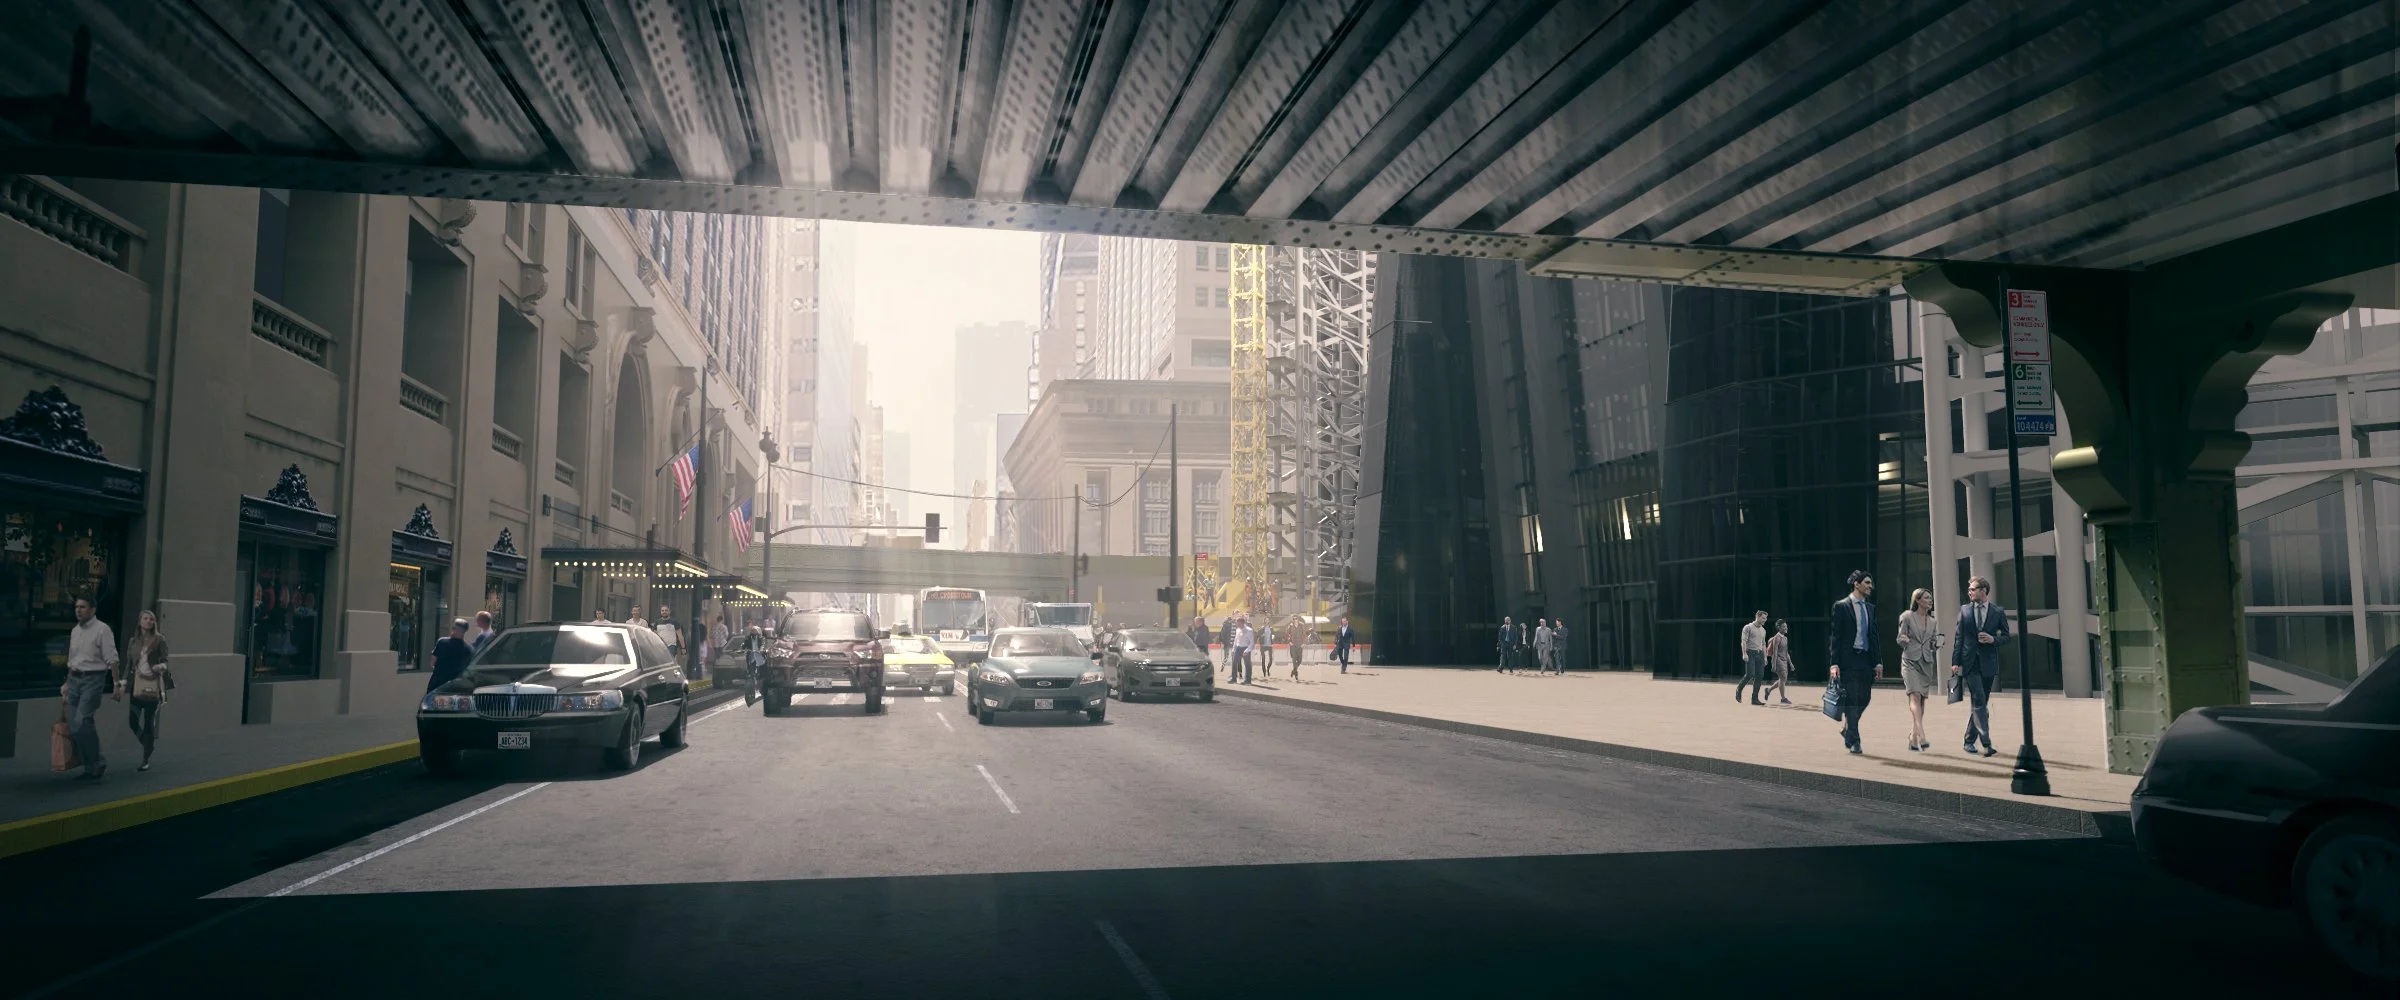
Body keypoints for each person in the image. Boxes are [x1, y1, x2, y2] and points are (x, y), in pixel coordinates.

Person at [60, 596, 118, 781]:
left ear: (93, 610)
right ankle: (92, 765)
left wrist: (117, 684)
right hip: (74, 680)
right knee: (75, 723)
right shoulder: (75, 631)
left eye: (83, 607)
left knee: (81, 721)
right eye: (76, 607)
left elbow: (112, 659)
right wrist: (66, 683)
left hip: (93, 680)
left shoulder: (102, 629)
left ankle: (96, 763)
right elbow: (72, 659)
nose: (78, 610)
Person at [1952, 576, 2011, 758]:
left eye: (1973, 589)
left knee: (1981, 704)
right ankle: (1985, 743)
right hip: (1970, 662)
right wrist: (1955, 662)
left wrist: (1994, 639)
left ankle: (1969, 740)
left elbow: (2007, 636)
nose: (1969, 592)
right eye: (1969, 589)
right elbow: (1958, 638)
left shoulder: (1997, 612)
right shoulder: (1964, 610)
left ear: (1983, 590)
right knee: (1978, 699)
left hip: (1988, 663)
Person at [1826, 570, 1880, 754]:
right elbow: (1836, 637)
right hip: (1847, 661)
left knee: (1865, 697)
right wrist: (1834, 664)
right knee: (1852, 699)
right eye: (1867, 582)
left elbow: (1874, 636)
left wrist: (1878, 662)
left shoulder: (1870, 608)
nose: (1870, 586)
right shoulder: (1841, 606)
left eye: (1870, 583)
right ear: (1856, 584)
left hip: (1865, 659)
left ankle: (1848, 728)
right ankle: (1855, 741)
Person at [1897, 587, 1945, 752]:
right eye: (1926, 598)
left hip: (1926, 662)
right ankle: (1922, 735)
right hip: (1910, 660)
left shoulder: (1933, 622)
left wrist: (1937, 644)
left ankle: (1912, 737)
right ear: (1917, 600)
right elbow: (1900, 637)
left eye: (1930, 598)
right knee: (1915, 695)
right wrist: (1904, 639)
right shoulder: (1907, 616)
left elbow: (1932, 642)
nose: (1930, 600)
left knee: (1922, 700)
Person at [122, 608, 170, 772]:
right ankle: (148, 745)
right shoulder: (133, 641)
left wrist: (160, 666)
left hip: (153, 686)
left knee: (149, 723)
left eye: (151, 619)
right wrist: (123, 682)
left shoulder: (159, 640)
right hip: (137, 685)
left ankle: (145, 759)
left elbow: (165, 661)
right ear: (140, 621)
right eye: (145, 618)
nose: (148, 621)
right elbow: (129, 664)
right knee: (132, 721)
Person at [427, 618, 473, 692]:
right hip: (456, 687)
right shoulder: (469, 649)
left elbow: (432, 662)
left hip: (437, 683)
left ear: (455, 630)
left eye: (453, 628)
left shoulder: (442, 642)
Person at [1735, 610, 1769, 704]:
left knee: (1760, 675)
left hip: (1760, 654)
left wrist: (1765, 657)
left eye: (1766, 618)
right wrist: (1744, 653)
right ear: (1757, 616)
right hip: (1750, 653)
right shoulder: (1748, 627)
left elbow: (1763, 644)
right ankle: (1739, 689)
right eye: (1763, 618)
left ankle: (1754, 699)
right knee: (1750, 674)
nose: (1765, 620)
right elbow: (1744, 641)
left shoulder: (1763, 630)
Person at [1762, 620, 1793, 704]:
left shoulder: (1785, 638)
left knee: (1782, 679)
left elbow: (1786, 652)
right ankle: (1783, 699)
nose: (1786, 628)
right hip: (1778, 660)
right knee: (1783, 678)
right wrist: (1774, 664)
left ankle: (1768, 690)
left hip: (1784, 660)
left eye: (1786, 626)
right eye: (1783, 626)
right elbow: (1775, 652)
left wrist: (1790, 663)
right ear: (1779, 628)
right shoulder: (1777, 638)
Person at [1231, 617, 1255, 684]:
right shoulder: (1237, 629)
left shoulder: (1249, 630)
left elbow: (1252, 643)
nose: (1237, 624)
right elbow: (1236, 640)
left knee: (1247, 664)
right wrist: (1233, 649)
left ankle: (1248, 680)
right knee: (1234, 663)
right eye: (1236, 623)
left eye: (1238, 623)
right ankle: (1233, 678)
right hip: (1238, 648)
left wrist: (1247, 650)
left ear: (1242, 623)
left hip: (1246, 648)